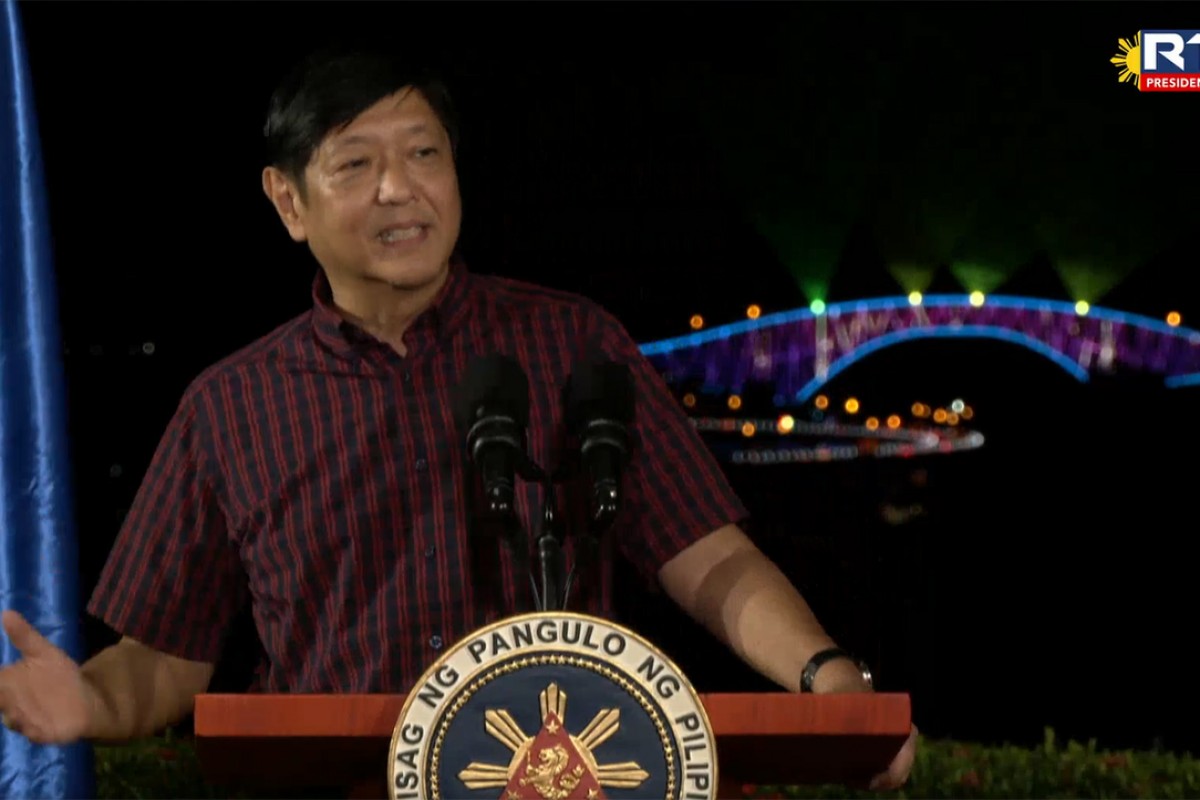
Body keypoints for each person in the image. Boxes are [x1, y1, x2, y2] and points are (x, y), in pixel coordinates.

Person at [0, 44, 916, 789]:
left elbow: (707, 555)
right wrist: (87, 704)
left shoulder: (573, 344)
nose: (401, 188)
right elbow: (165, 658)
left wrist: (828, 677)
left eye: (424, 153)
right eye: (356, 163)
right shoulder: (227, 407)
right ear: (288, 201)